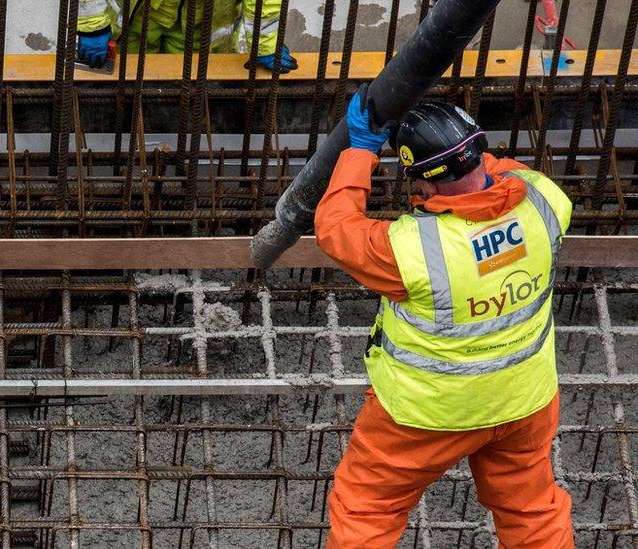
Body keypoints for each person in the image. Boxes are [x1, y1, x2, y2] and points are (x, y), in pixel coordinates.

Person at [313, 85, 574, 548]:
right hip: (524, 400)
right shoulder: (546, 201)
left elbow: (336, 228)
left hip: (425, 414)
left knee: (367, 509)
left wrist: (360, 152)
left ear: (423, 182)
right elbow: (501, 172)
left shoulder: (411, 250)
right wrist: (447, 145)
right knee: (532, 512)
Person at [76, 0, 297, 73]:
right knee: (125, 86)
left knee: (188, 98)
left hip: (201, 21)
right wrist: (92, 27)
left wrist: (265, 45)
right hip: (139, 16)